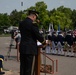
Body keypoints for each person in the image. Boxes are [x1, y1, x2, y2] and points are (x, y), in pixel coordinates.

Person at [19, 9, 46, 75]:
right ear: (34, 16)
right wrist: (44, 42)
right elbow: (37, 35)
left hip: (23, 48)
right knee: (29, 68)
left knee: (23, 67)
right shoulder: (33, 24)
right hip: (30, 49)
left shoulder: (21, 23)